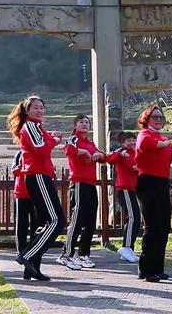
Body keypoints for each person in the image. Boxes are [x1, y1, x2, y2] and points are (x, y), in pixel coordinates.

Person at [7, 95, 65, 281]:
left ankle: (32, 267)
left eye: (42, 107)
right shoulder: (30, 126)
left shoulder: (37, 127)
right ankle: (27, 256)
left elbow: (44, 142)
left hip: (42, 175)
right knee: (56, 221)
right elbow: (41, 148)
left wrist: (53, 137)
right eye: (35, 108)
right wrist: (55, 140)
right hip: (37, 175)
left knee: (45, 223)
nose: (40, 110)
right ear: (27, 111)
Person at [135, 106, 172, 282]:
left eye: (161, 117)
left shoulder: (162, 138)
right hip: (147, 182)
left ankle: (158, 267)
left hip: (163, 183)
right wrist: (166, 143)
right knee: (152, 226)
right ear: (147, 119)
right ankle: (146, 269)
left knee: (164, 226)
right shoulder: (145, 134)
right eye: (154, 116)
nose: (158, 119)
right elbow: (144, 145)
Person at [57, 114, 105, 270]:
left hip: (91, 184)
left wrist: (99, 155)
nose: (84, 124)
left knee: (90, 220)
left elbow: (103, 156)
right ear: (75, 125)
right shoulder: (73, 139)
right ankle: (66, 254)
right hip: (78, 182)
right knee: (77, 219)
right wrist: (83, 152)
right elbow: (68, 150)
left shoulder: (90, 142)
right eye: (81, 122)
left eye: (87, 122)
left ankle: (84, 254)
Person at [106, 131, 140, 264]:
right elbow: (109, 160)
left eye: (133, 140)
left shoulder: (137, 152)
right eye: (129, 140)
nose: (132, 143)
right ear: (123, 142)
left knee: (135, 218)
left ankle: (128, 249)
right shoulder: (121, 152)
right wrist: (120, 153)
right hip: (125, 189)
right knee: (133, 217)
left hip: (135, 189)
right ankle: (126, 247)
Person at [12, 149, 39, 279]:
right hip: (21, 194)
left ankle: (33, 262)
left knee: (37, 228)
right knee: (21, 227)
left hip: (36, 194)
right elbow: (14, 171)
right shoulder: (20, 154)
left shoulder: (39, 153)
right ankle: (22, 255)